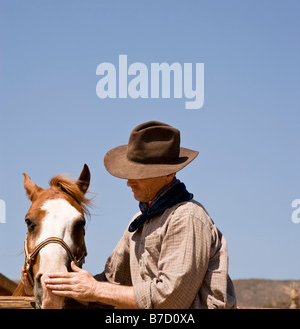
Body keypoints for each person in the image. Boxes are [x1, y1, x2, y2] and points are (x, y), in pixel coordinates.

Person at [26, 121, 237, 309]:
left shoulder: (187, 217)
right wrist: (52, 283)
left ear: (169, 174)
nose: (128, 182)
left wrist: (94, 290)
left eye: (139, 174)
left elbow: (171, 300)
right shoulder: (139, 222)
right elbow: (110, 281)